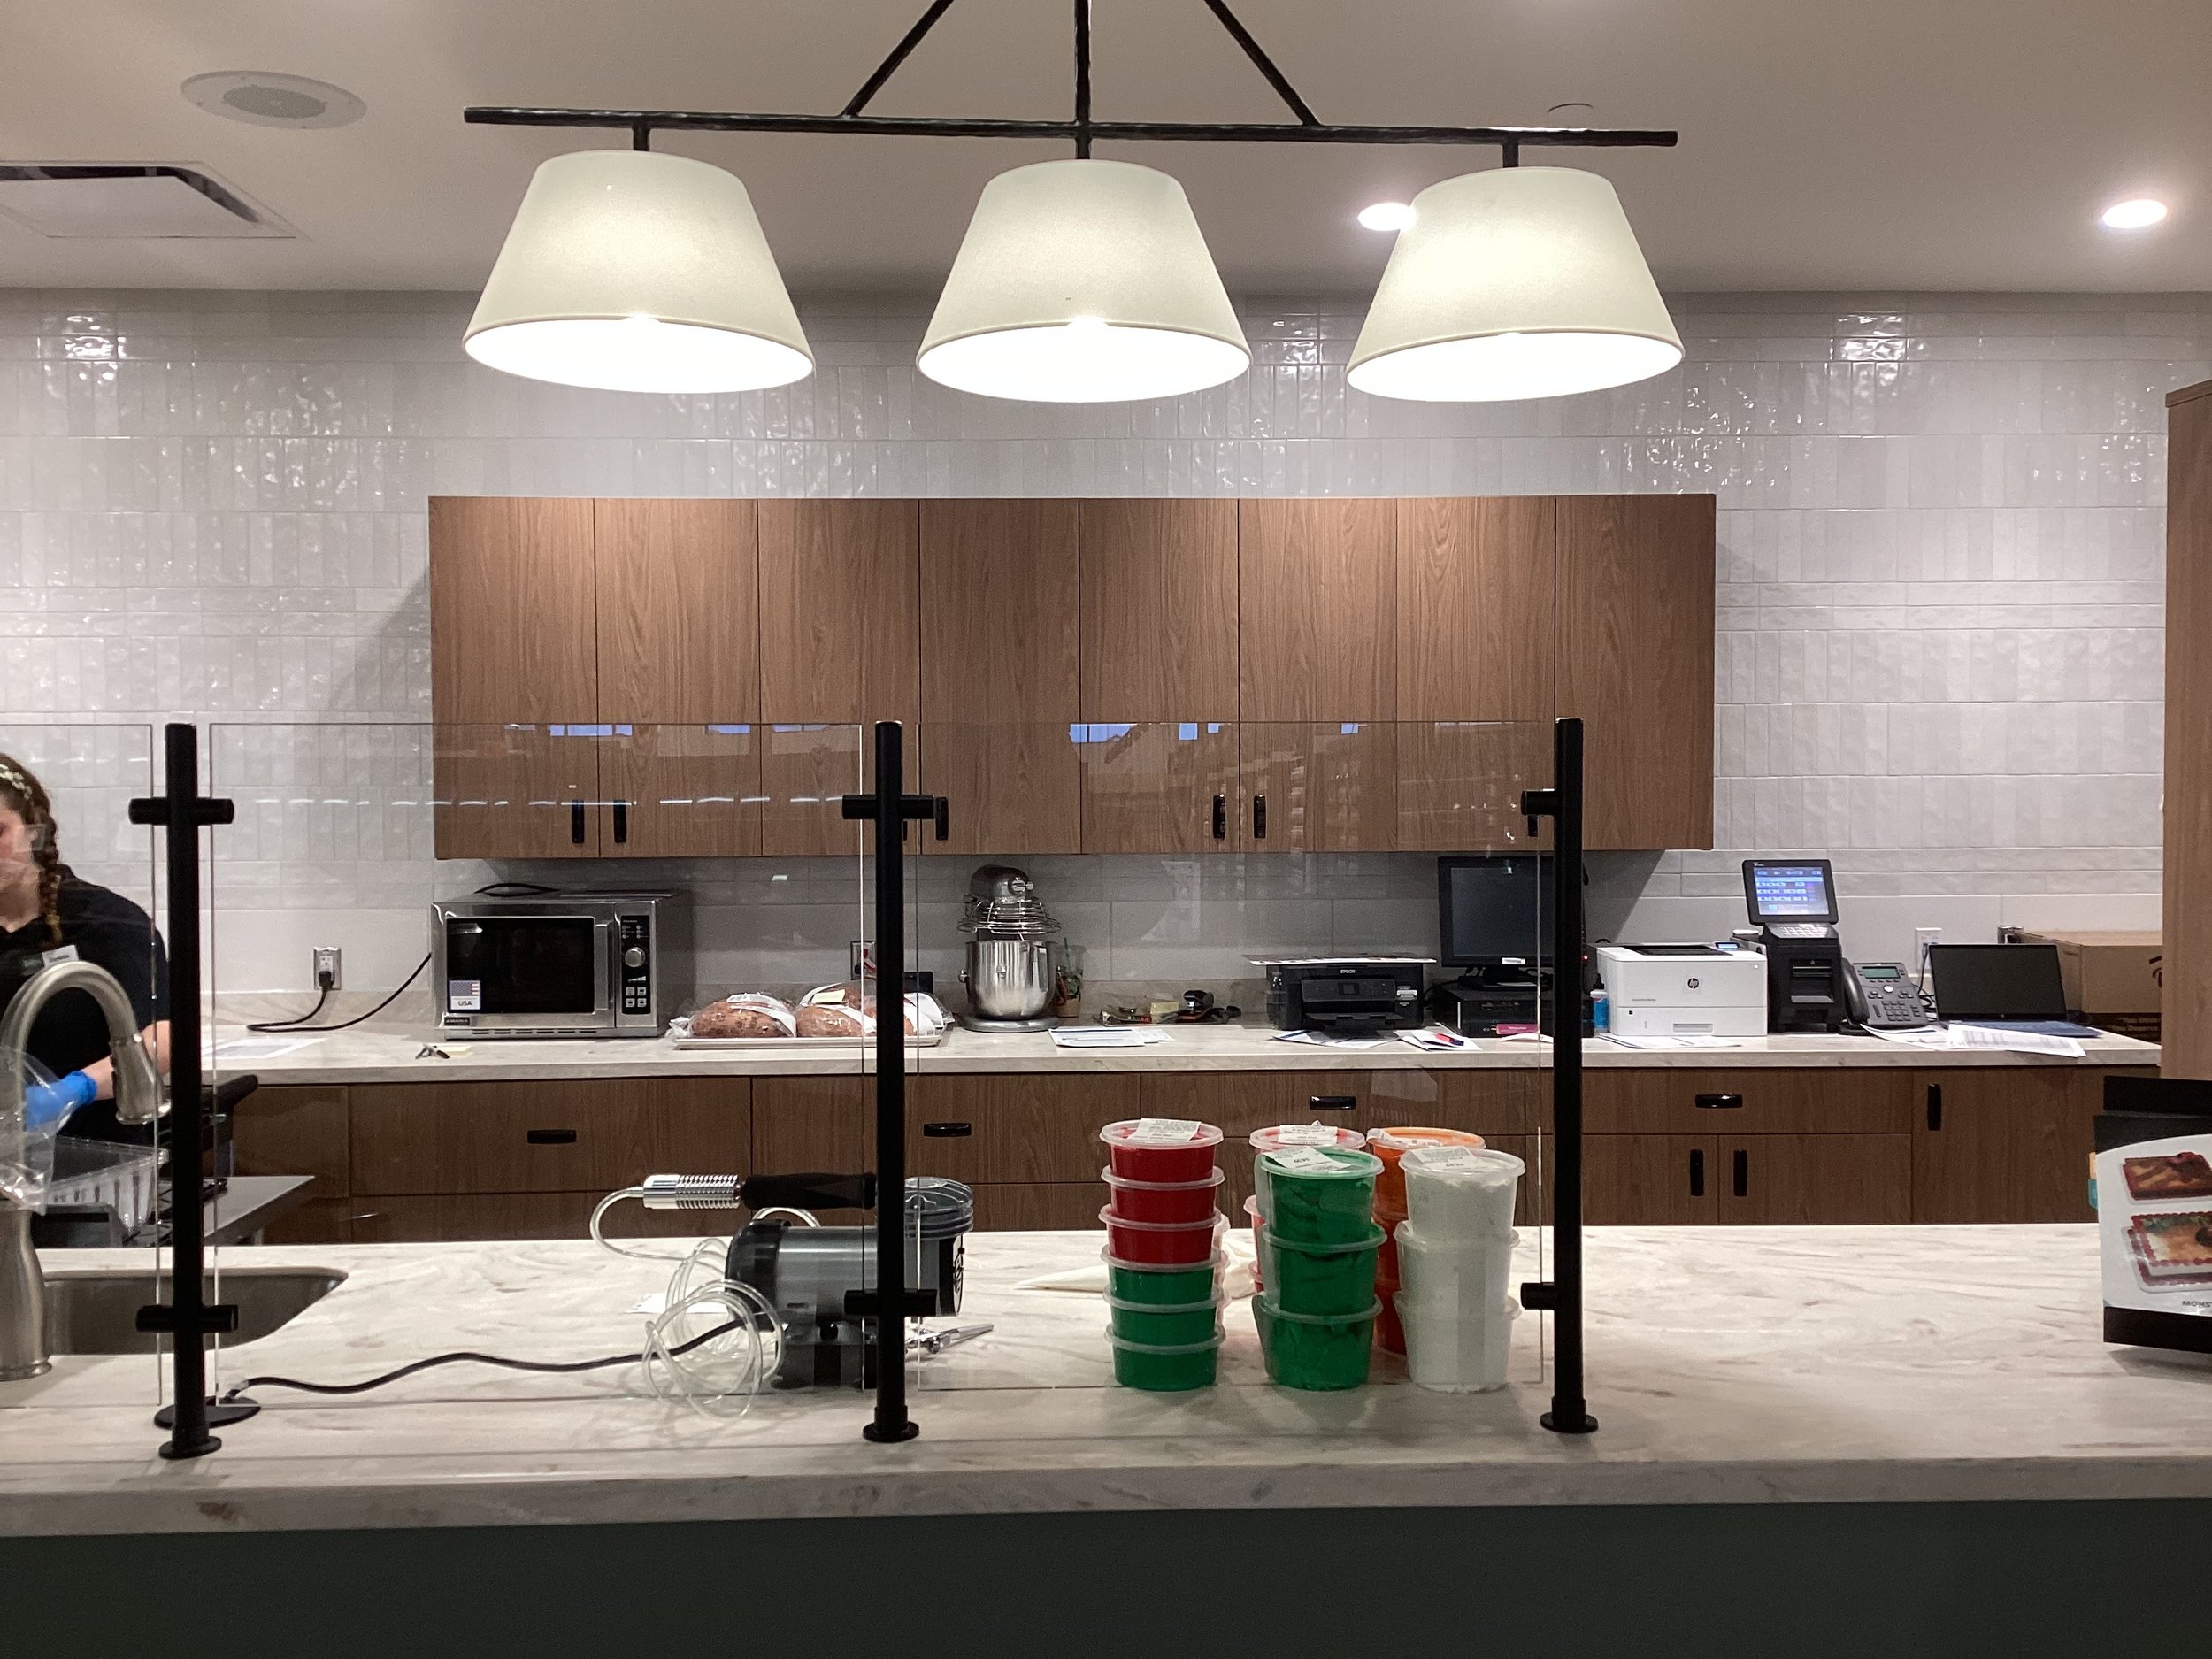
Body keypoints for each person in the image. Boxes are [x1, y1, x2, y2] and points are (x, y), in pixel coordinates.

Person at [0, 752, 169, 1141]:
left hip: (94, 1153)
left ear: (33, 830)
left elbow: (164, 1038)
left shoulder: (106, 921)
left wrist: (74, 1090)